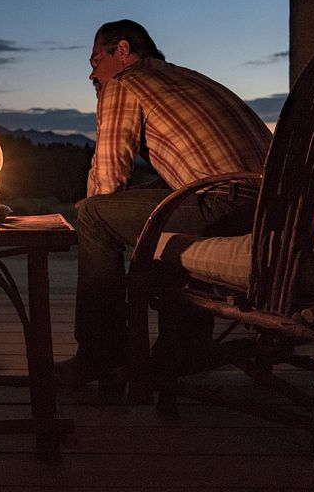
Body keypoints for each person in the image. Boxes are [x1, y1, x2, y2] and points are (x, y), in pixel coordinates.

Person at [56, 19, 272, 389]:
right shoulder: (190, 79)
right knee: (155, 202)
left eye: (95, 61)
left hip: (228, 203)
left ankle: (99, 355)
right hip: (274, 208)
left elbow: (108, 180)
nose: (91, 73)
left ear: (121, 51)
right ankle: (182, 345)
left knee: (94, 214)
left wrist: (96, 209)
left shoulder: (124, 83)